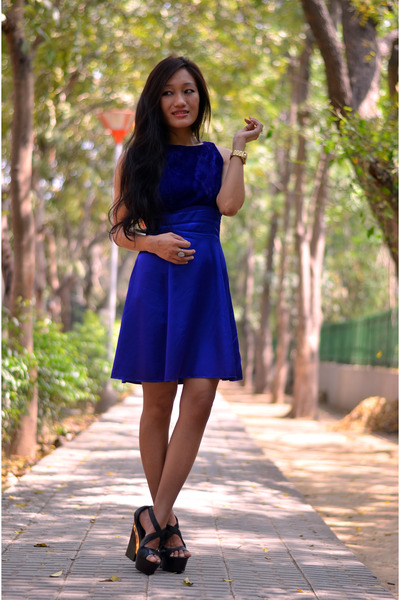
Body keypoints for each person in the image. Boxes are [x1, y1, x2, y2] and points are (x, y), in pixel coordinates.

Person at [110, 55, 263, 576]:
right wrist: (153, 242)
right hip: (157, 283)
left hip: (204, 286)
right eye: (170, 92)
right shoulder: (137, 158)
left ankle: (152, 519)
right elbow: (119, 230)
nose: (181, 100)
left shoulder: (218, 154)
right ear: (156, 100)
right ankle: (165, 528)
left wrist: (239, 152)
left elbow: (230, 206)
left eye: (190, 91)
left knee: (199, 399)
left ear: (201, 99)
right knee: (158, 403)